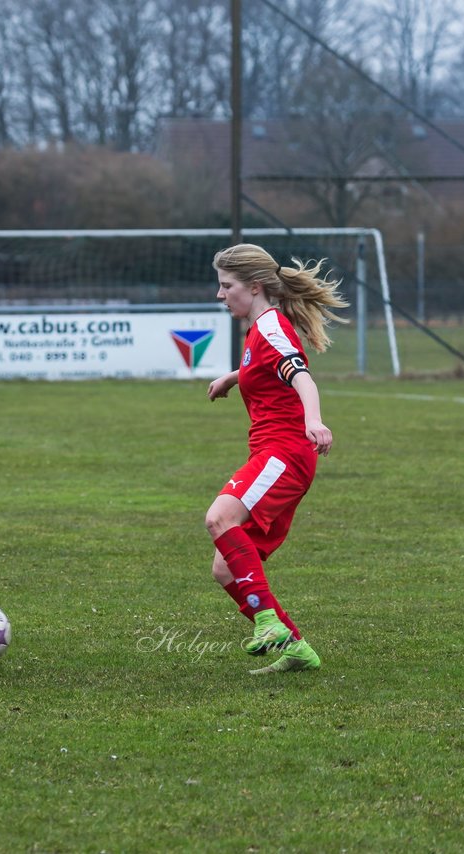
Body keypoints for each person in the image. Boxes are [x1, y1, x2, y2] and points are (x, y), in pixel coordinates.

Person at [205, 243, 348, 675]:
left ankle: (268, 625)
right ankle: (296, 649)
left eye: (226, 286)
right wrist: (233, 378)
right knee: (225, 569)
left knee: (218, 519)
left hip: (284, 453)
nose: (220, 294)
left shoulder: (270, 328)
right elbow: (266, 367)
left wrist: (315, 420)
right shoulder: (261, 328)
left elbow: (300, 375)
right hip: (277, 455)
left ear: (254, 287)